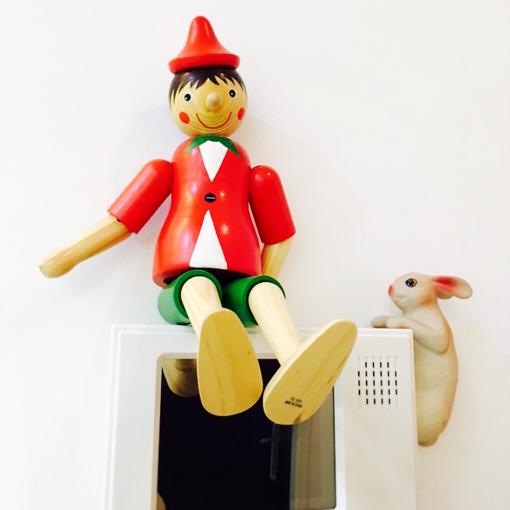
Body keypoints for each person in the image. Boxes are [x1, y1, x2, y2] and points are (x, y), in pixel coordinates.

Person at [40, 16, 356, 425]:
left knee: (265, 292)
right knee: (199, 288)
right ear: (177, 106)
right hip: (182, 284)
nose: (213, 103)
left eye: (228, 92)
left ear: (241, 101)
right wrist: (69, 255)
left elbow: (279, 237)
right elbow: (124, 220)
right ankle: (219, 350)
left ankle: (296, 362)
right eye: (193, 96)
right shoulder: (166, 168)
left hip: (241, 279)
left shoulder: (256, 174)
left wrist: (263, 279)